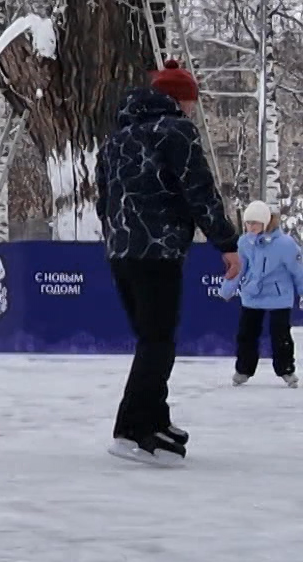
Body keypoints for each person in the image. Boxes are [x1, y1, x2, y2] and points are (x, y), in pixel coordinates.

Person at [95, 60, 241, 465]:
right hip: (158, 250)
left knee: (151, 338)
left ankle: (155, 417)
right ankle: (132, 430)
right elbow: (200, 192)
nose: (193, 109)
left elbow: (103, 201)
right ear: (178, 99)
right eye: (192, 101)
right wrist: (227, 243)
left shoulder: (114, 140)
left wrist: (118, 238)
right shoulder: (176, 131)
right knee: (158, 341)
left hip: (121, 251)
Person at [220, 201, 300, 388]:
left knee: (280, 335)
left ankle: (286, 370)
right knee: (246, 334)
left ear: (265, 222)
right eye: (248, 223)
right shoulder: (244, 242)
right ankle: (243, 369)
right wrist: (227, 289)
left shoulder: (285, 245)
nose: (251, 227)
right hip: (252, 295)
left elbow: (299, 270)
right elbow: (238, 268)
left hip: (279, 297)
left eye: (255, 223)